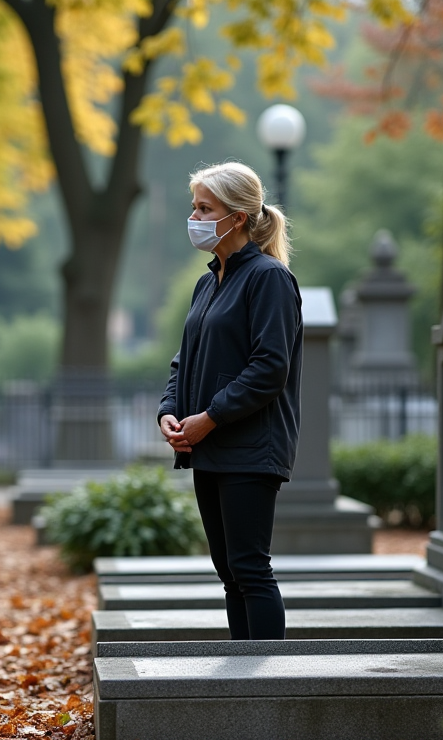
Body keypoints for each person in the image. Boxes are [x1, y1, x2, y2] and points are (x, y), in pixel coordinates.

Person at [158, 161, 302, 641]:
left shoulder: (269, 278)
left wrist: (211, 417)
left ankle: (267, 679)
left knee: (250, 568)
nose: (194, 217)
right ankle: (242, 677)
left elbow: (270, 367)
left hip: (251, 446)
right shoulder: (207, 283)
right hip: (209, 444)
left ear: (237, 217)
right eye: (194, 207)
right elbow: (184, 360)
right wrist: (169, 412)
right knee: (229, 573)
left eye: (205, 208)